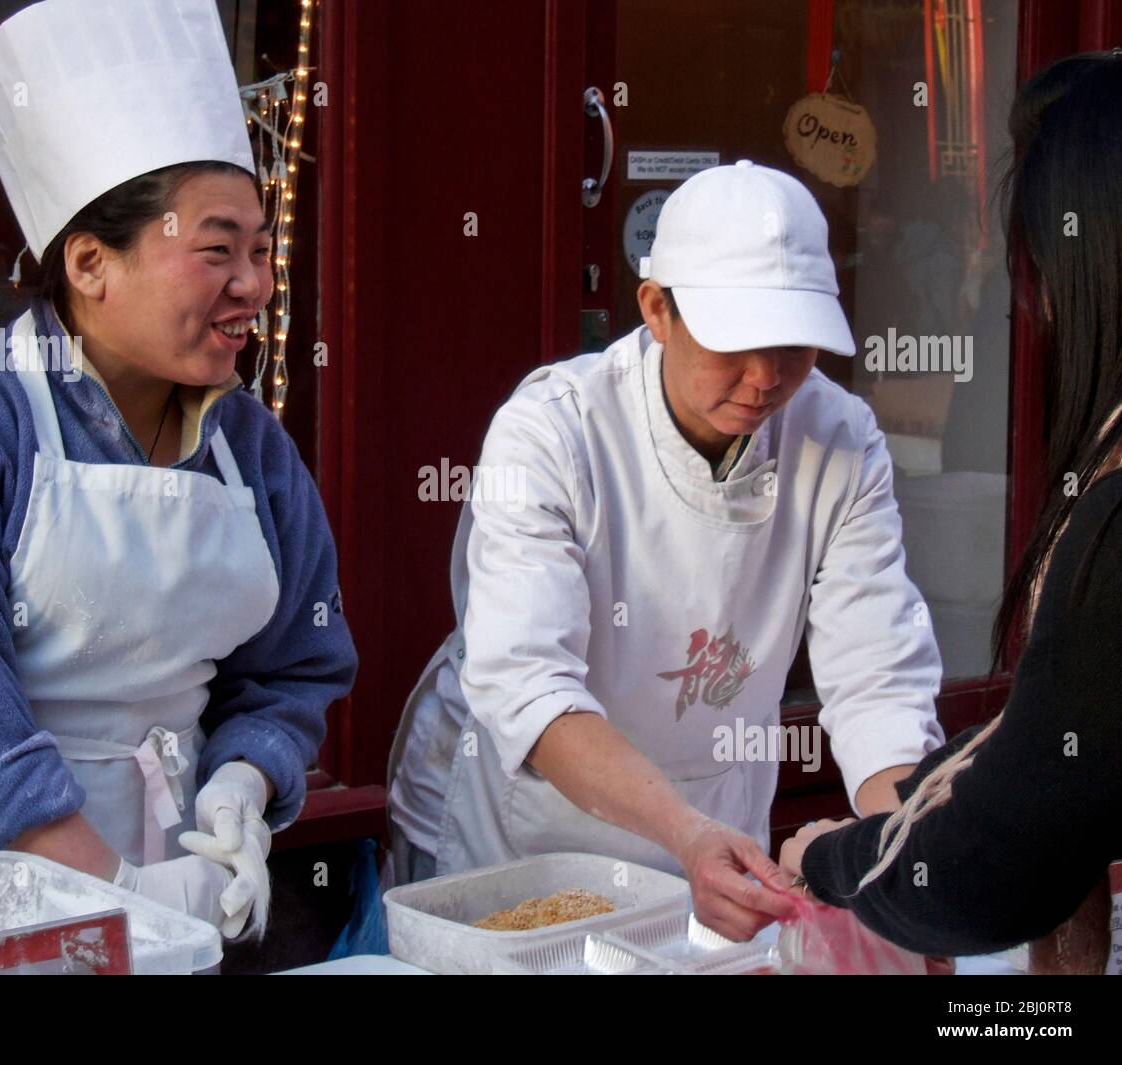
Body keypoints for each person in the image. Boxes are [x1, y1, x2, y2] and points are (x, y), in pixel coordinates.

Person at [0, 0, 357, 943]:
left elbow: (292, 669)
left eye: (262, 250)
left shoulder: (254, 450)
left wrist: (244, 777)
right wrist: (113, 900)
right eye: (217, 251)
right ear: (88, 261)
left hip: (162, 884)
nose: (256, 285)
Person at [388, 159, 945, 941]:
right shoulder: (554, 430)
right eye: (734, 342)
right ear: (657, 310)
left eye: (794, 345)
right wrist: (683, 835)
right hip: (528, 834)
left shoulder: (840, 440)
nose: (765, 377)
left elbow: (877, 681)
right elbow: (528, 683)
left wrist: (907, 865)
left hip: (714, 830)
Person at [780, 50, 1122, 972]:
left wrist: (841, 857)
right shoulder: (555, 424)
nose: (1038, 310)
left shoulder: (844, 435)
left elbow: (1016, 832)